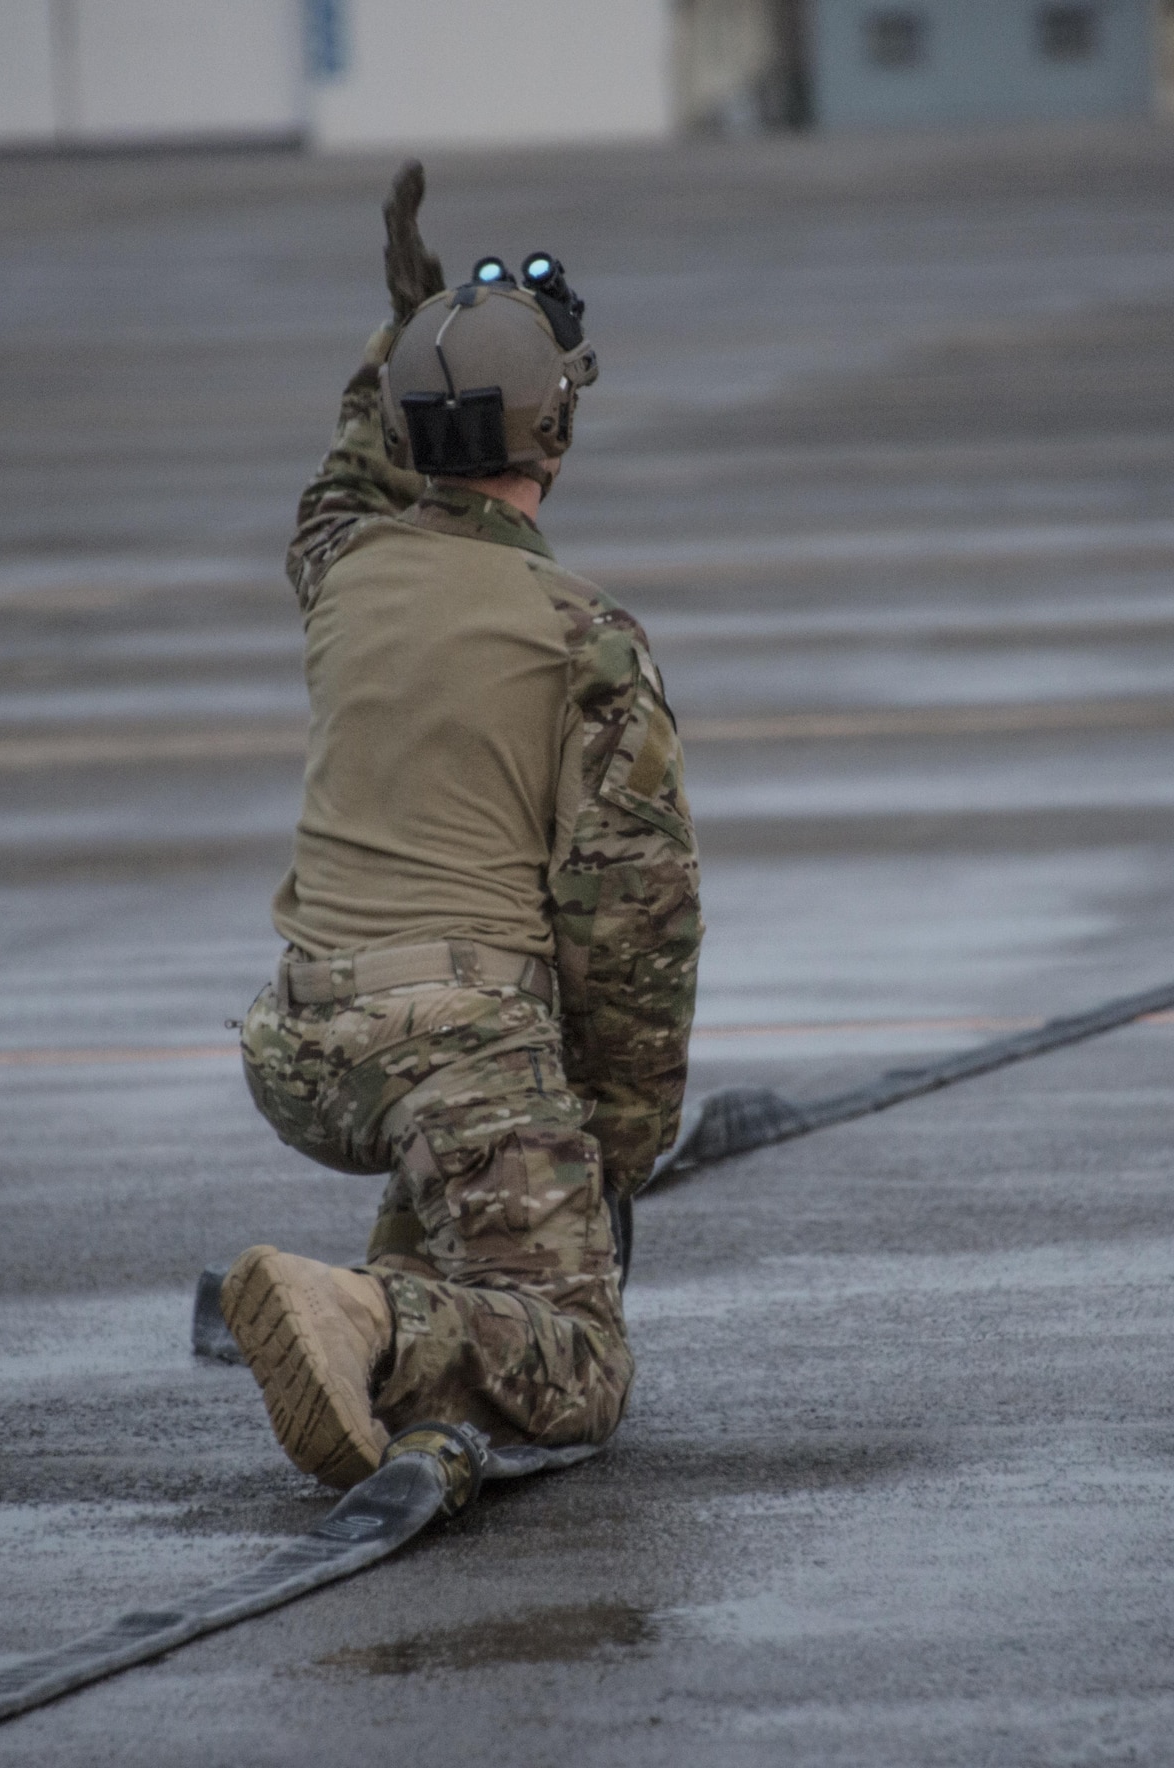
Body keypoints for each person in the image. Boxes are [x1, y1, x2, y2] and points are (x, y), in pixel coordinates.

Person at [220, 165, 701, 1490]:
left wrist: (412, 337)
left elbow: (342, 482)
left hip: (304, 1048)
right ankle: (371, 1317)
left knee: (475, 1193)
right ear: (554, 435)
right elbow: (634, 933)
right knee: (577, 1362)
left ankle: (387, 1291)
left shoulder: (340, 575)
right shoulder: (586, 638)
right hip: (457, 1051)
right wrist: (613, 1145)